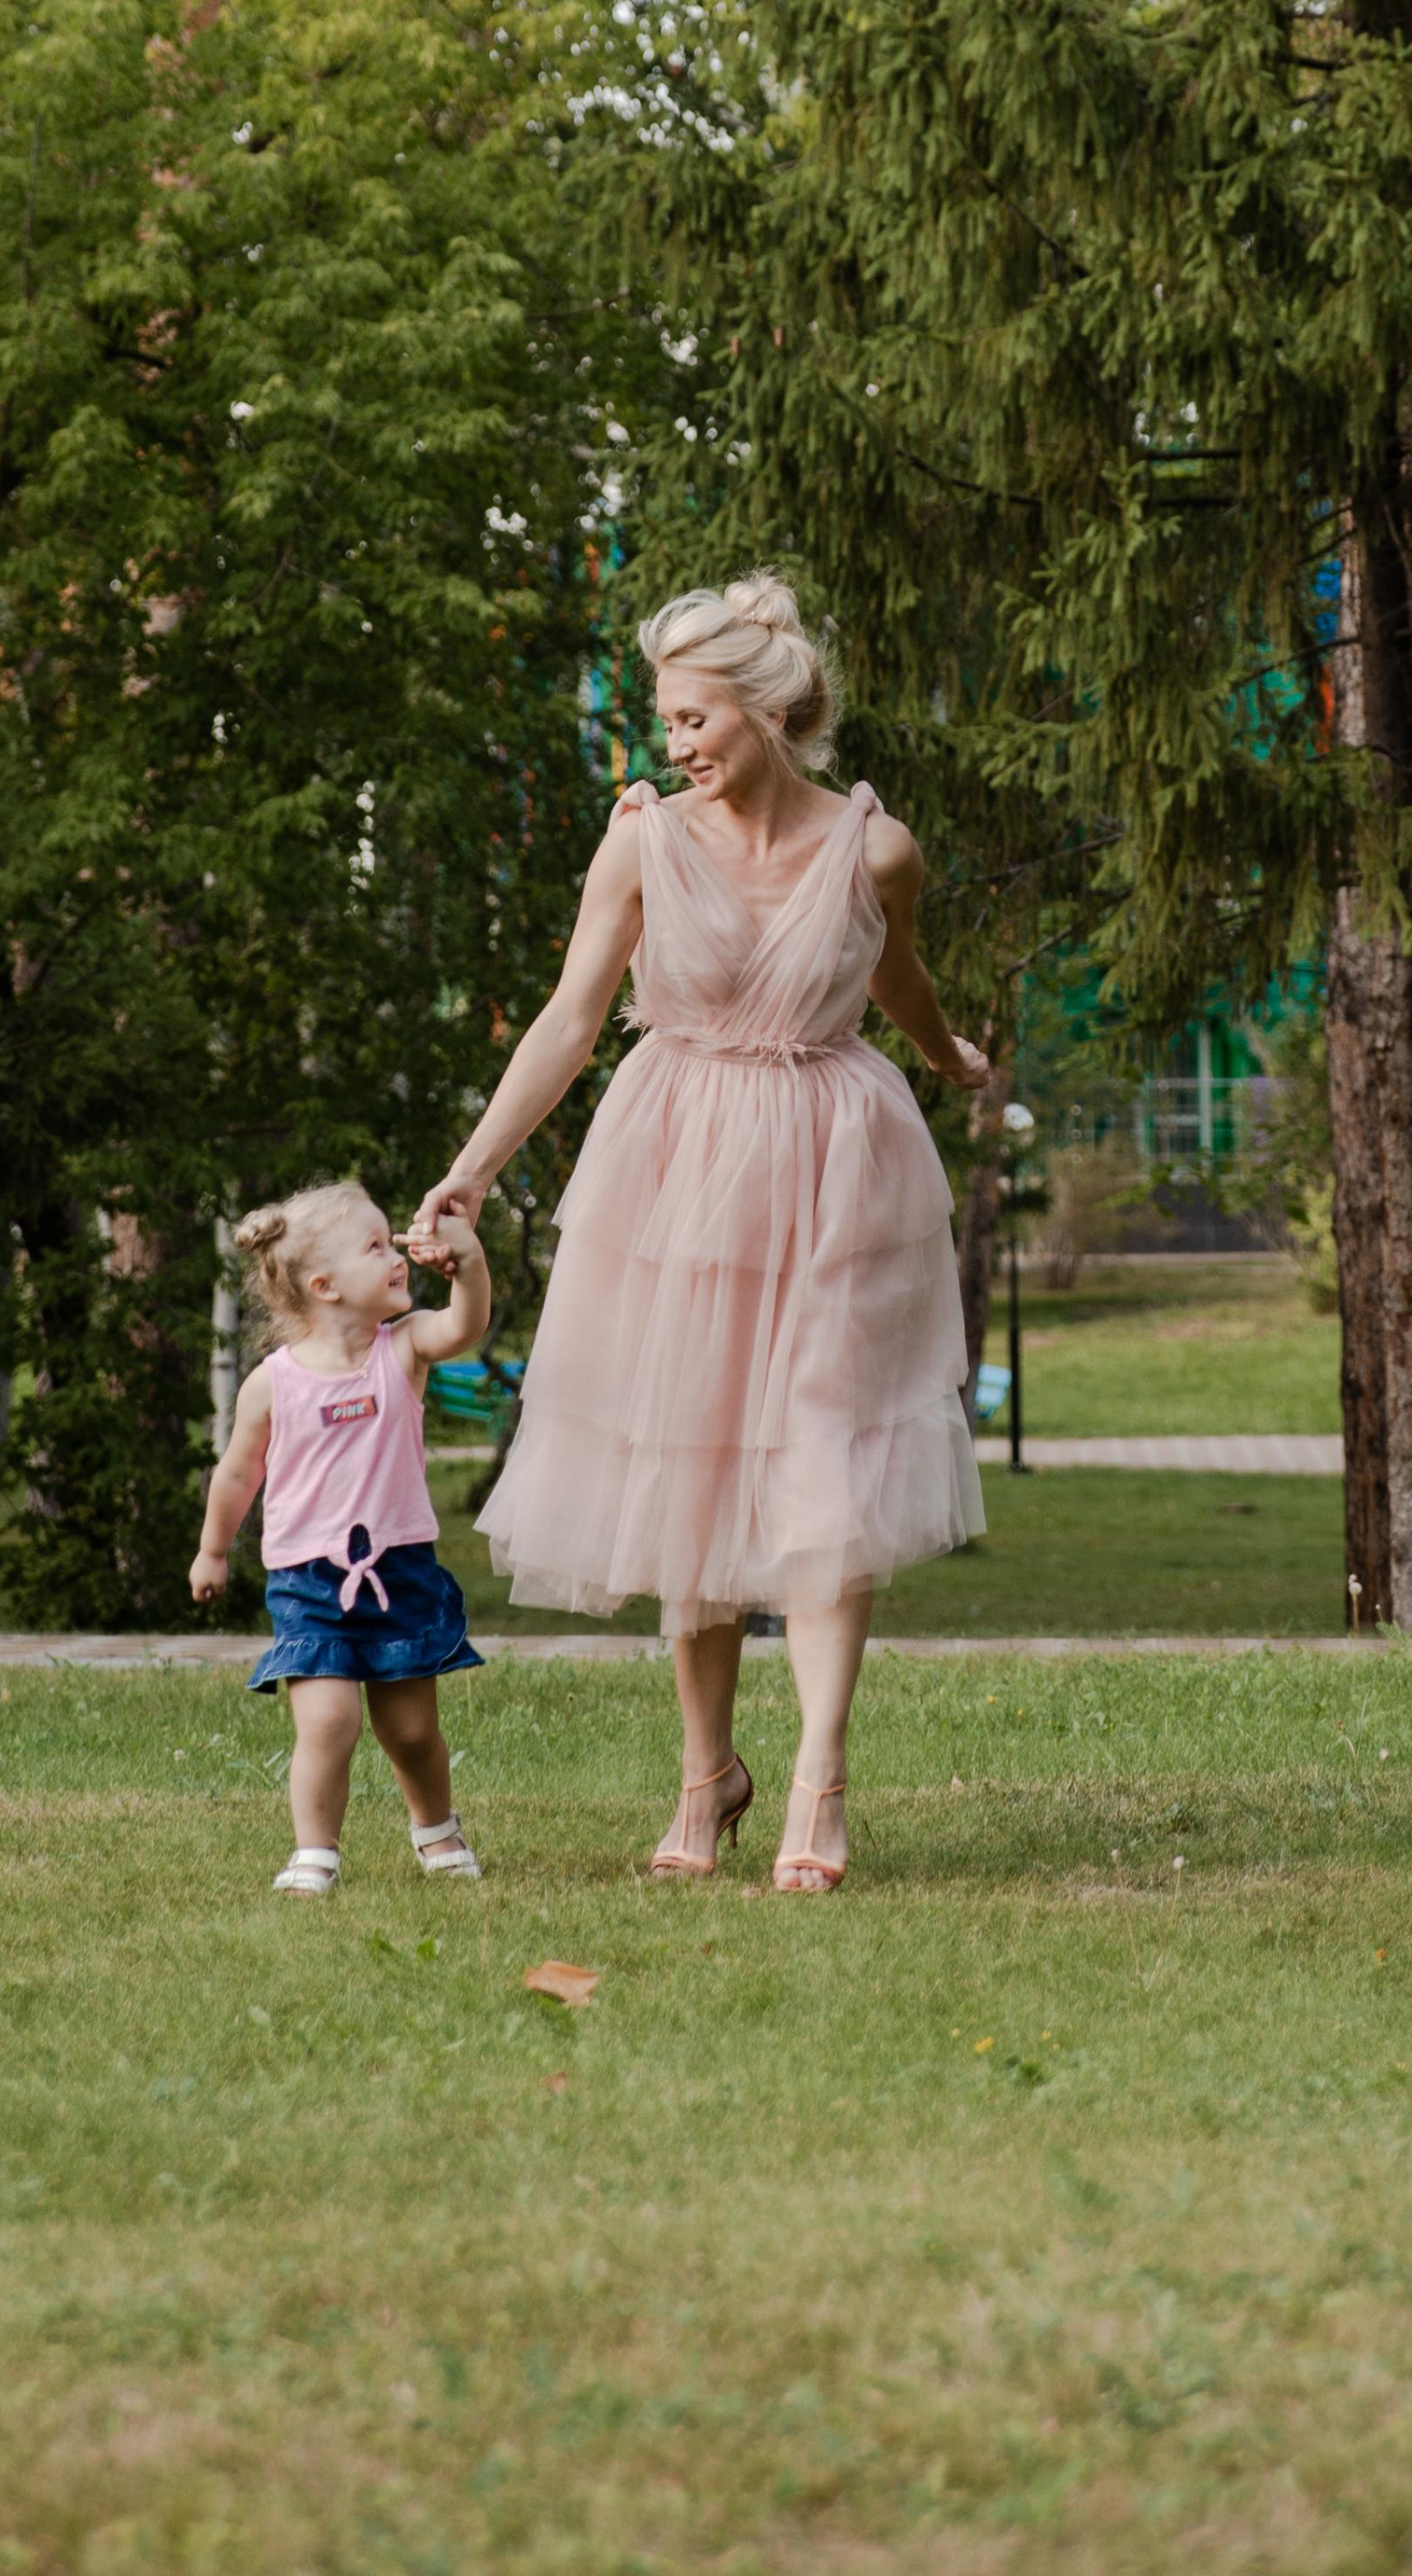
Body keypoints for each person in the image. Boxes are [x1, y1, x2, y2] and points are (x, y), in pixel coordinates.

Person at [407, 572, 988, 1893]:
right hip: (677, 1161)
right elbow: (567, 1022)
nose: (672, 743)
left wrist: (948, 1053)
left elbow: (899, 974)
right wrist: (470, 1172)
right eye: (664, 720)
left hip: (840, 1164)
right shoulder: (642, 842)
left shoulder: (876, 848)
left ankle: (818, 1786)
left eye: (690, 716)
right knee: (696, 1459)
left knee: (827, 1469)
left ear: (769, 709)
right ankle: (702, 1774)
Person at [192, 1184, 490, 1898]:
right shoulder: (274, 1383)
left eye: (391, 1242)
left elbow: (466, 1327)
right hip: (310, 1581)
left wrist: (470, 1261)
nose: (395, 1257)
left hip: (401, 1573)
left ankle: (436, 1830)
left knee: (412, 1731)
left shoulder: (406, 1345)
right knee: (327, 1723)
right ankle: (315, 1852)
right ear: (324, 1287)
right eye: (376, 1247)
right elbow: (238, 1474)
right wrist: (212, 1549)